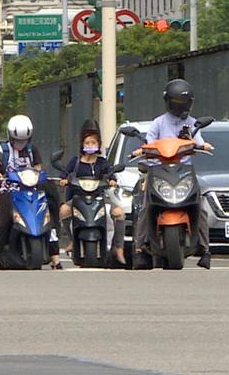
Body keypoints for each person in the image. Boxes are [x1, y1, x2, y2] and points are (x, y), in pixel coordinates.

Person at [130, 78, 215, 269]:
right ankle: (140, 249)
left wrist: (203, 145)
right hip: (159, 168)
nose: (180, 106)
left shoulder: (193, 124)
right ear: (168, 101)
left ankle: (205, 249)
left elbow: (198, 140)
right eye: (176, 101)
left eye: (183, 102)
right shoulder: (159, 123)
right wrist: (142, 149)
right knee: (145, 206)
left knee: (200, 206)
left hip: (183, 170)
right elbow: (149, 141)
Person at [0, 115, 62, 269]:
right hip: (9, 191)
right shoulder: (3, 150)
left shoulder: (32, 150)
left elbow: (38, 167)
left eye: (24, 140)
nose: (20, 144)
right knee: (3, 223)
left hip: (31, 190)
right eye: (17, 140)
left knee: (48, 218)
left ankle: (56, 259)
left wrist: (37, 175)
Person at [58, 120, 126, 265]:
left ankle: (118, 247)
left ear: (98, 144)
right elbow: (64, 174)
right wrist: (63, 180)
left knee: (119, 212)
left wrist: (112, 180)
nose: (90, 146)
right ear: (82, 144)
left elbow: (110, 173)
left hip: (100, 199)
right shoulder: (75, 161)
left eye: (93, 143)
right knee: (63, 210)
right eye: (87, 143)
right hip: (78, 199)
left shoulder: (102, 162)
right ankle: (71, 240)